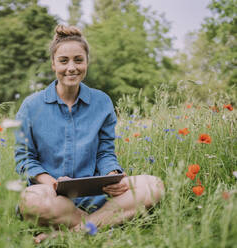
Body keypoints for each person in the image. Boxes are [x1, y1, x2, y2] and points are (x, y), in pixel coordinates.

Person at [14, 24, 165, 243]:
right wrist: (53, 183)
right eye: (64, 61)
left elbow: (105, 152)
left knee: (154, 186)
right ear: (53, 63)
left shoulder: (102, 101)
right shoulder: (31, 105)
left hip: (96, 196)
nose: (71, 67)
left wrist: (113, 174)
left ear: (86, 62)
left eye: (78, 59)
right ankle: (101, 226)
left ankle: (73, 232)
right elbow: (24, 159)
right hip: (52, 196)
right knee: (30, 202)